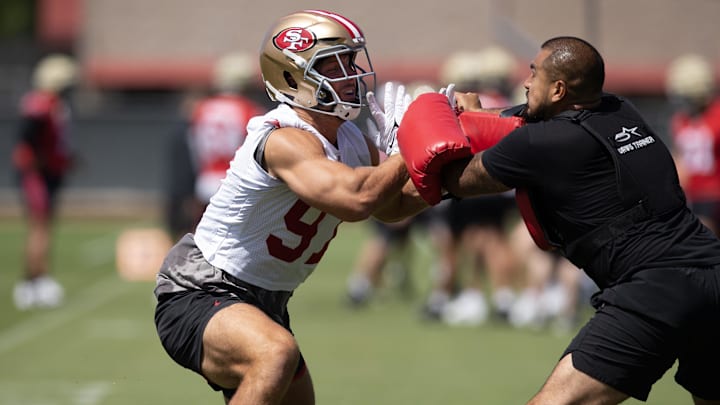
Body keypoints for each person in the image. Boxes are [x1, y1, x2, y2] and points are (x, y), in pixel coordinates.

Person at [399, 36, 720, 403]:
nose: (525, 81)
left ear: (558, 88)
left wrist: (416, 133)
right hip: (713, 270)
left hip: (656, 289)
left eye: (534, 73)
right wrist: (476, 116)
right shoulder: (619, 108)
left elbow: (452, 181)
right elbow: (523, 118)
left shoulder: (541, 143)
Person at [153, 10, 426, 405]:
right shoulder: (284, 138)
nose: (348, 74)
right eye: (331, 65)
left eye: (349, 61)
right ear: (291, 78)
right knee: (274, 353)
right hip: (203, 288)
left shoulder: (348, 138)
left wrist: (478, 164)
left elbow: (392, 205)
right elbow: (356, 200)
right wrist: (405, 151)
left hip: (265, 302)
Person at [422, 47, 520, 325]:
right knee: (493, 239)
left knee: (465, 242)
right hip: (502, 183)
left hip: (475, 179)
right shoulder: (504, 100)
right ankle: (499, 297)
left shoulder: (467, 103)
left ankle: (464, 297)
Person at [164, 53, 266, 240]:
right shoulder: (251, 111)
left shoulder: (201, 109)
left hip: (205, 181)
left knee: (202, 240)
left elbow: (193, 148)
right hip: (236, 183)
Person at [11, 54, 78, 310]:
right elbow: (28, 133)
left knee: (44, 227)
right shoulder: (40, 103)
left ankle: (38, 280)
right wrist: (40, 159)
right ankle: (32, 282)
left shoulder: (54, 104)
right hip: (36, 174)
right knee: (39, 228)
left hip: (48, 171)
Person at [665, 53, 720, 236]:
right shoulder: (681, 120)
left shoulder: (716, 116)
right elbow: (681, 161)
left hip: (715, 196)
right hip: (694, 198)